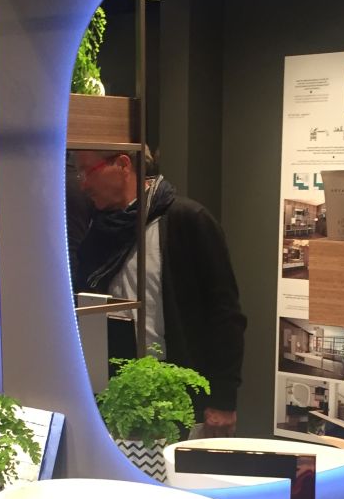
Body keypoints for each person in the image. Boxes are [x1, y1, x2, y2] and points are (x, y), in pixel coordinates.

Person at [72, 149, 245, 435]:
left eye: (87, 171)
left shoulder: (187, 220)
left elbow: (225, 315)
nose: (82, 184)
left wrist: (223, 400)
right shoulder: (97, 231)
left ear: (123, 165)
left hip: (178, 393)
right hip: (114, 393)